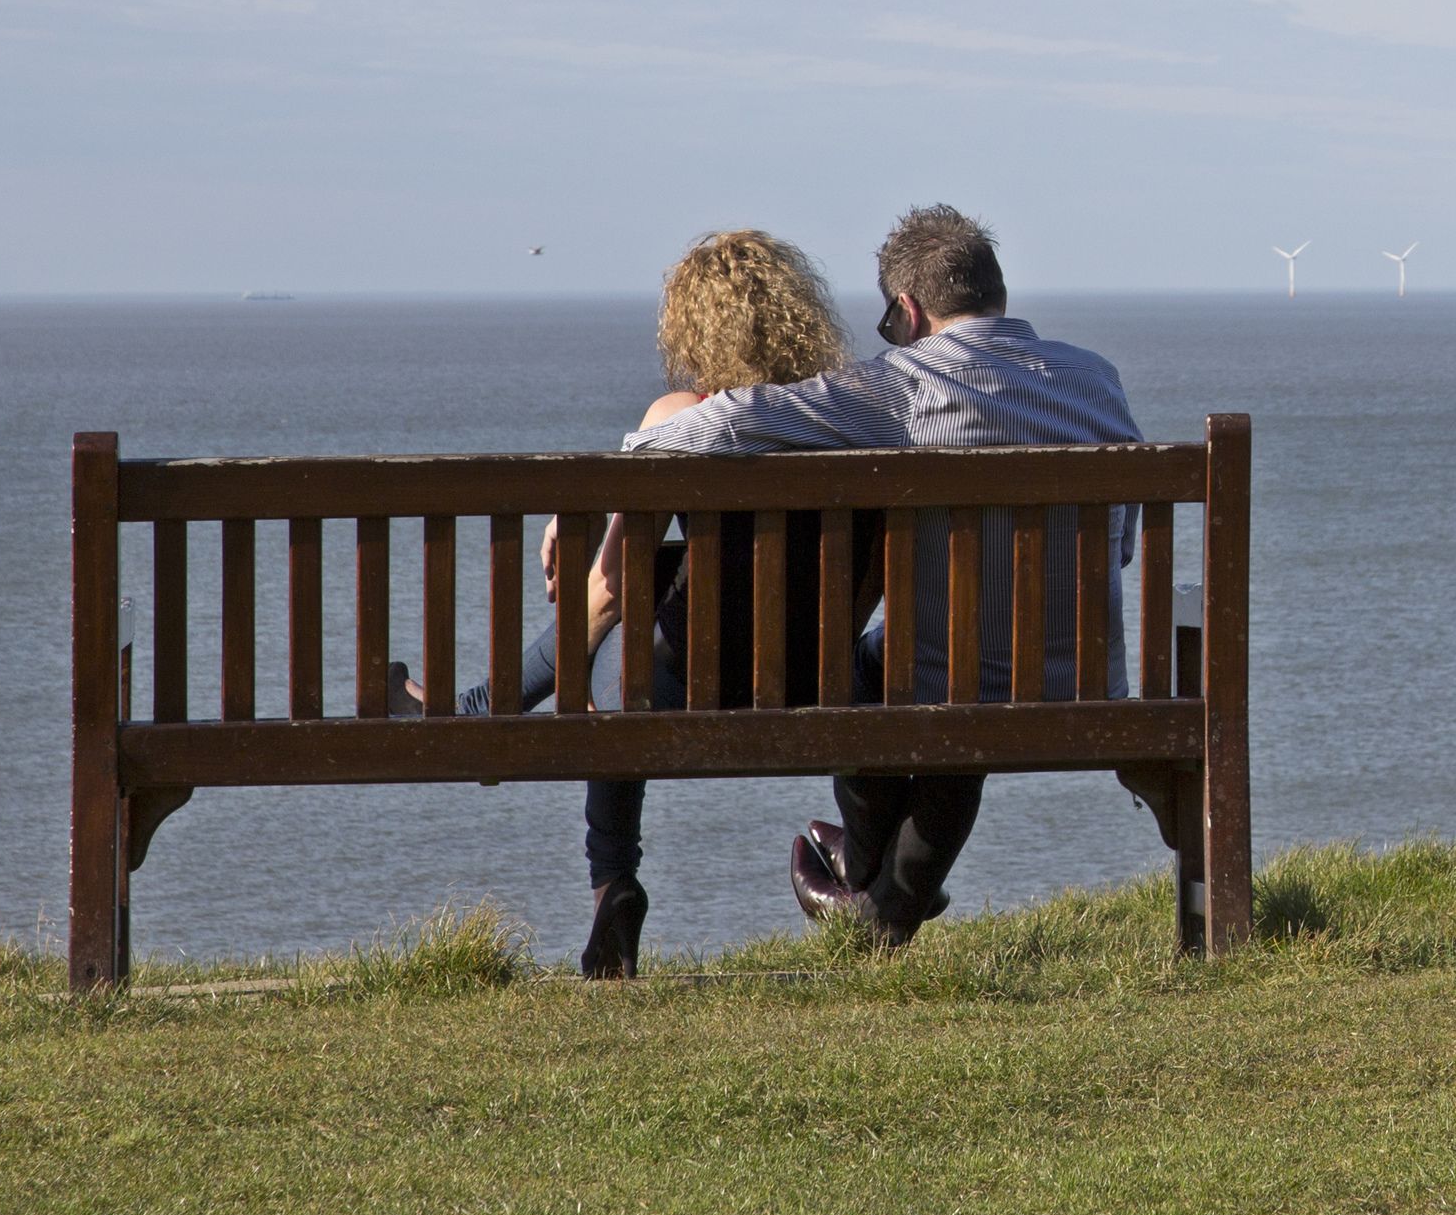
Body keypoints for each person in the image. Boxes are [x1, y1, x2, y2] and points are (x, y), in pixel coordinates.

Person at [620, 202, 1146, 948]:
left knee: (861, 668)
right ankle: (877, 903)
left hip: (947, 682)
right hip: (1086, 679)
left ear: (908, 308)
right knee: (951, 678)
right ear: (994, 291)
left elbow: (734, 420)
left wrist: (636, 448)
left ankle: (870, 901)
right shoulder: (1096, 379)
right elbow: (1122, 546)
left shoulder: (902, 385)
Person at [490, 228, 848, 978]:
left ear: (693, 325)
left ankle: (608, 878)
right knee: (659, 596)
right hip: (828, 674)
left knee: (619, 656)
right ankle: (483, 705)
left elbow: (612, 587)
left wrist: (577, 524)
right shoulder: (849, 412)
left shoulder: (683, 417)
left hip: (694, 680)